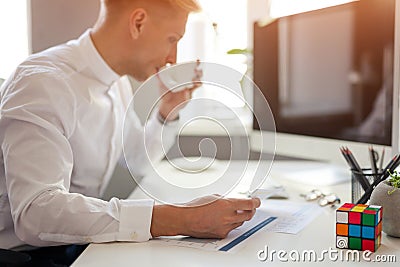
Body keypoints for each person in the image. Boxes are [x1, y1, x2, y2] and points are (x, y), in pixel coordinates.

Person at [0, 0, 260, 265]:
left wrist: (167, 111)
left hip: (72, 244)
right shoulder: (43, 83)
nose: (173, 58)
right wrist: (180, 218)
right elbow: (35, 213)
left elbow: (137, 159)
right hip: (22, 256)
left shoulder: (117, 82)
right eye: (172, 39)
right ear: (138, 23)